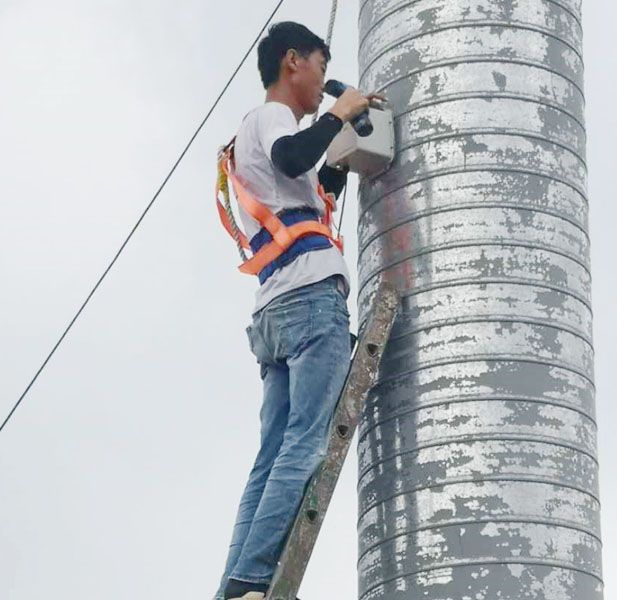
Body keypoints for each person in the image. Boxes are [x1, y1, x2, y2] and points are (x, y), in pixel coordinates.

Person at [212, 21, 376, 600]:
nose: (323, 83)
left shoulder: (254, 132)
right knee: (304, 443)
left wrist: (345, 146)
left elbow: (305, 181)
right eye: (320, 67)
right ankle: (255, 578)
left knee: (273, 453)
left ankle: (237, 585)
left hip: (276, 308)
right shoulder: (272, 118)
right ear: (292, 61)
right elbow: (289, 158)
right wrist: (339, 113)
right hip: (309, 301)